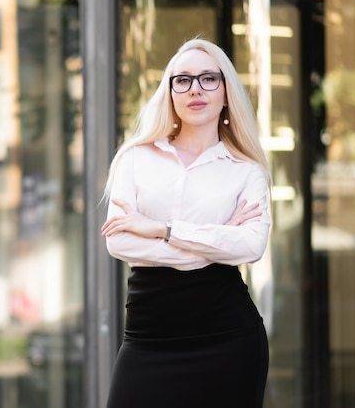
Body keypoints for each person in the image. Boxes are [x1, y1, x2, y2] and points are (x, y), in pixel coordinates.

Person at [101, 38, 271, 408]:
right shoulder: (135, 157)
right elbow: (120, 242)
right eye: (183, 80)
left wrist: (164, 229)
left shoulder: (247, 171)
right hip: (148, 338)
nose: (195, 88)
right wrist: (213, 244)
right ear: (171, 92)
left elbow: (251, 246)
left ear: (226, 93)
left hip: (228, 339)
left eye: (209, 78)